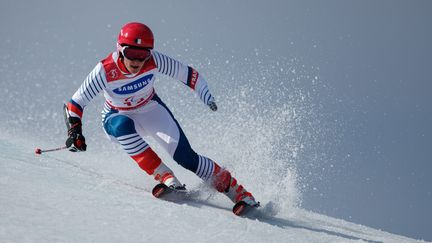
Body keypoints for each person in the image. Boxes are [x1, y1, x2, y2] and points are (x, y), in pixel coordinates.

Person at [65, 22, 258, 207]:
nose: (137, 61)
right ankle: (167, 178)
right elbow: (76, 102)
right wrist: (75, 132)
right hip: (116, 114)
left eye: (143, 55)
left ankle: (239, 193)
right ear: (119, 49)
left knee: (186, 157)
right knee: (121, 125)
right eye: (131, 53)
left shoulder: (155, 60)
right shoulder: (105, 70)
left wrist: (206, 96)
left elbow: (190, 75)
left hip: (150, 109)